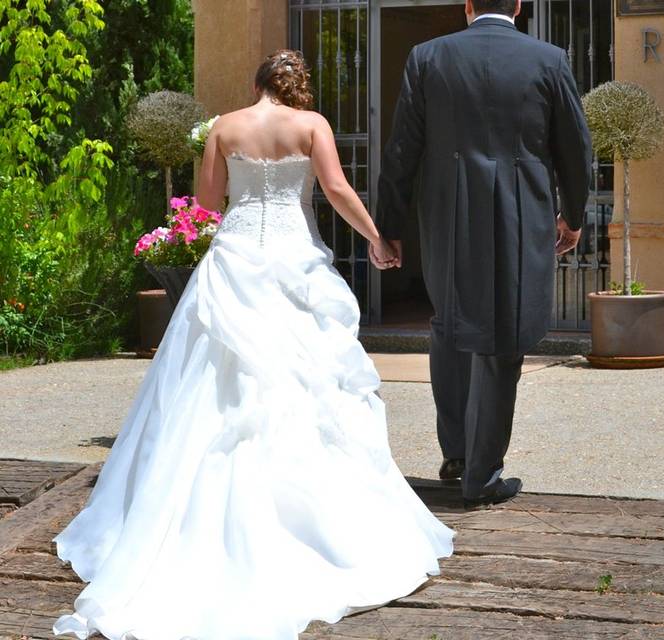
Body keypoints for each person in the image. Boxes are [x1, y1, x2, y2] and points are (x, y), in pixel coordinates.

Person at [52, 49, 454, 640]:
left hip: (235, 260)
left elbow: (209, 205)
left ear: (256, 83)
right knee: (310, 384)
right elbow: (337, 189)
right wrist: (377, 239)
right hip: (296, 259)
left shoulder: (223, 126)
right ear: (298, 89)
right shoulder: (311, 125)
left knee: (210, 386)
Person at [374, 0, 593, 508]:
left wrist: (389, 227)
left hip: (448, 215)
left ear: (468, 6)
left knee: (449, 325)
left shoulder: (427, 57)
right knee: (504, 333)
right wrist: (574, 216)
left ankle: (457, 453)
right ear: (518, 6)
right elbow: (575, 150)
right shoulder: (549, 59)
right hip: (522, 215)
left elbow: (402, 148)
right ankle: (483, 474)